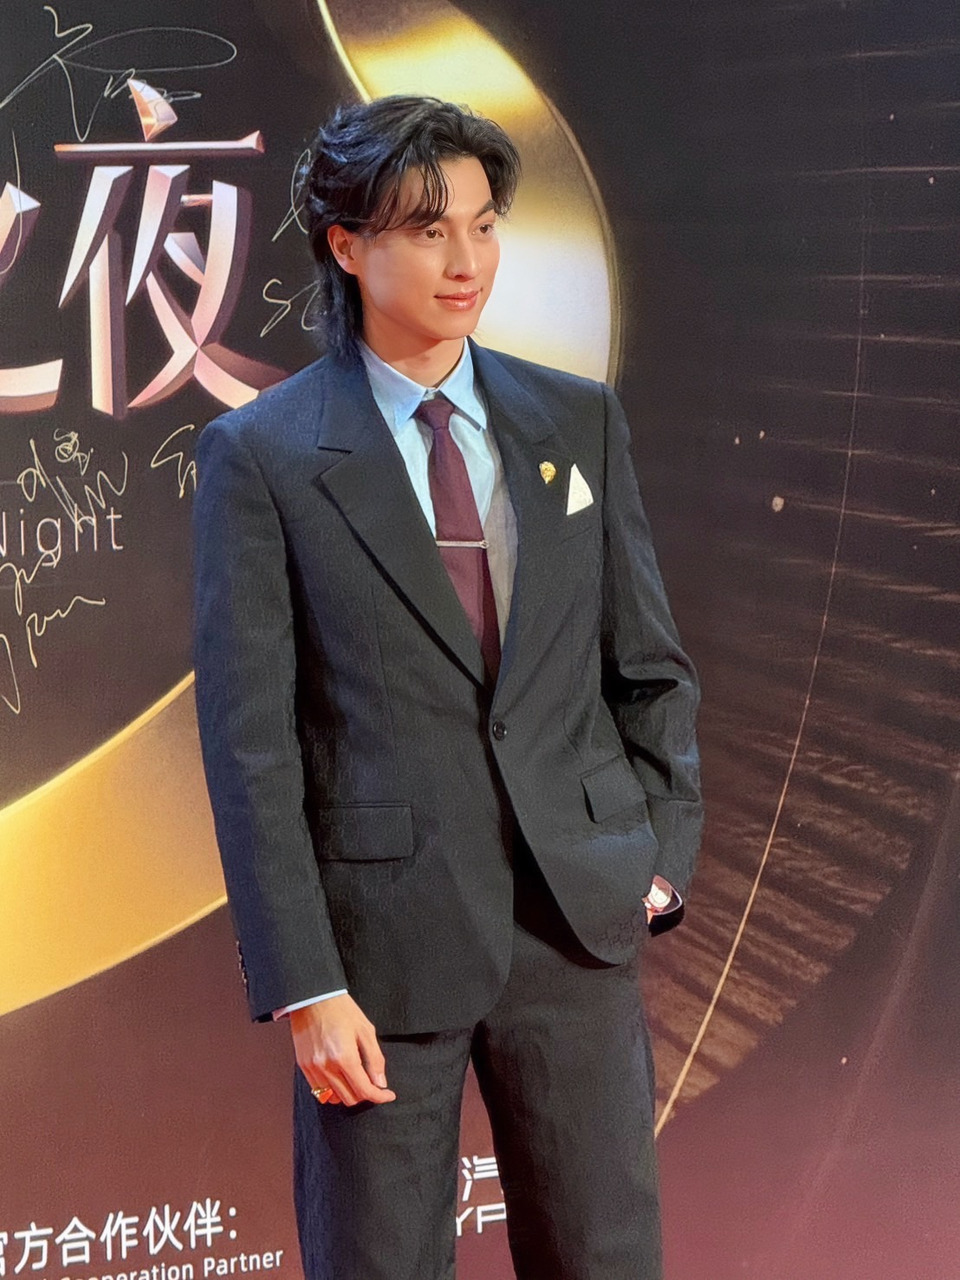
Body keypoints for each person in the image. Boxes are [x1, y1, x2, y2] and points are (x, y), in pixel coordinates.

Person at [192, 95, 702, 1280]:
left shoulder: (578, 421)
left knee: (605, 1257)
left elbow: (650, 667)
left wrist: (657, 854)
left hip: (575, 925)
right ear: (347, 244)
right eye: (429, 230)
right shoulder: (263, 455)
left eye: (482, 224)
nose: (466, 259)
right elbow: (252, 743)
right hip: (378, 952)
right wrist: (305, 981)